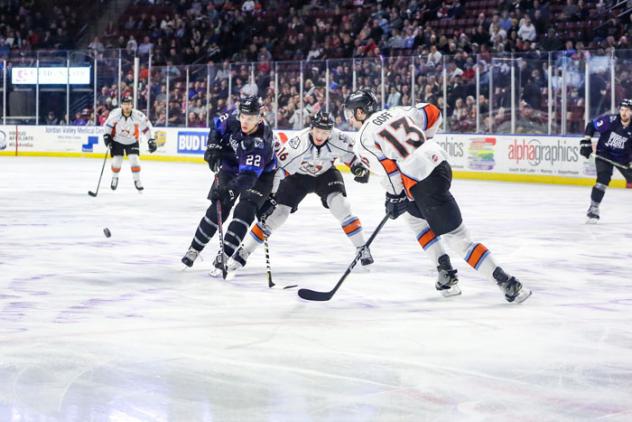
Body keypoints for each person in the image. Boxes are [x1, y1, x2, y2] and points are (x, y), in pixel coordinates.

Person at [345, 88, 531, 303]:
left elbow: (390, 171)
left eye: (350, 113)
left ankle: (507, 283)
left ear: (360, 112)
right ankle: (445, 271)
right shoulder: (397, 111)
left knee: (458, 239)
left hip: (422, 181)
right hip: (439, 165)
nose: (349, 118)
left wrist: (393, 197)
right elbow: (432, 111)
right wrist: (424, 142)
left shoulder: (362, 140)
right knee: (413, 218)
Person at [226, 111, 374, 273]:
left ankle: (362, 247)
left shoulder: (339, 138)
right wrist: (271, 196)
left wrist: (359, 167)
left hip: (325, 174)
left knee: (341, 205)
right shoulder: (297, 145)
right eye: (318, 131)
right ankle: (244, 251)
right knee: (278, 215)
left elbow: (353, 156)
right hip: (297, 179)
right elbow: (278, 171)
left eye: (325, 132)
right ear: (311, 129)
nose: (321, 135)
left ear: (330, 132)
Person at [181, 96, 276, 275]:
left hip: (260, 175)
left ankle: (224, 255)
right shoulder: (234, 117)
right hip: (232, 164)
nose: (245, 121)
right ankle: (194, 249)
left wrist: (229, 191)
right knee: (218, 207)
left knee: (244, 211)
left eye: (250, 118)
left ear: (259, 118)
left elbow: (248, 178)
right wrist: (213, 147)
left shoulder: (259, 142)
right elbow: (215, 126)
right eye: (243, 116)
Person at [580, 98, 632, 223]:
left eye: (627, 110)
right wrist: (586, 142)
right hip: (605, 154)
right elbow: (591, 125)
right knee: (602, 180)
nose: (624, 113)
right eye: (622, 109)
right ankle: (593, 208)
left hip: (623, 158)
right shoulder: (610, 120)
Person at [103, 96, 156, 191]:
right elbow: (108, 126)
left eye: (129, 104)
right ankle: (115, 178)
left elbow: (147, 128)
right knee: (116, 162)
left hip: (132, 141)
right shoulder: (115, 114)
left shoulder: (138, 115)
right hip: (117, 140)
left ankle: (137, 180)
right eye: (125, 104)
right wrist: (107, 137)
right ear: (121, 105)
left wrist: (151, 140)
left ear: (132, 105)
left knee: (134, 160)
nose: (127, 106)